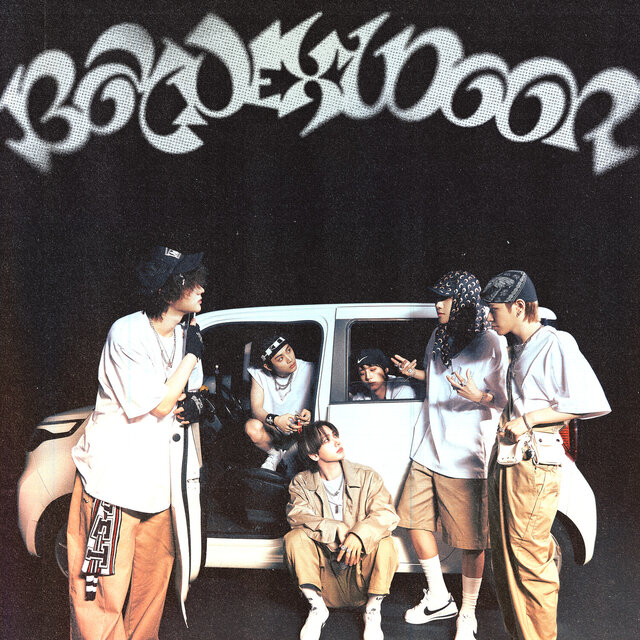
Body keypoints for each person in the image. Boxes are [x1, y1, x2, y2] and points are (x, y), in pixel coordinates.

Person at [67, 246, 208, 640]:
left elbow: (186, 392)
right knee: (100, 592)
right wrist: (190, 359)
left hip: (161, 486)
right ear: (168, 290)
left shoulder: (184, 335)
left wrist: (197, 401)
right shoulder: (127, 332)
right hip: (113, 485)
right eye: (191, 282)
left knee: (152, 590)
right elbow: (161, 403)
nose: (201, 288)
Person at [481, 270, 610, 640]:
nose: (489, 318)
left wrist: (529, 420)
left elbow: (588, 401)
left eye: (494, 310)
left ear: (520, 307)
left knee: (529, 559)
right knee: (506, 556)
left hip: (534, 461)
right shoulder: (519, 347)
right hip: (509, 460)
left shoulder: (556, 342)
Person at [392, 270, 508, 640]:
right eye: (437, 297)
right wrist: (415, 373)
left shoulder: (491, 342)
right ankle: (440, 597)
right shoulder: (439, 335)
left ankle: (468, 614)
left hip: (466, 457)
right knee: (413, 520)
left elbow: (505, 400)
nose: (437, 305)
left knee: (473, 541)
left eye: (445, 298)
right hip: (429, 449)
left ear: (464, 300)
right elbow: (441, 380)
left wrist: (480, 396)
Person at [284, 421, 399, 640]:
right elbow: (297, 516)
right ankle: (317, 609)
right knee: (294, 538)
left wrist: (358, 535)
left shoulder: (367, 476)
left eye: (335, 435)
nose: (336, 441)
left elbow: (386, 513)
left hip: (361, 575)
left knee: (387, 543)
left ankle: (372, 612)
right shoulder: (301, 483)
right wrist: (334, 526)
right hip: (324, 579)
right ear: (313, 455)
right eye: (327, 440)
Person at [245, 334, 313, 472]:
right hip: (273, 432)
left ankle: (289, 459)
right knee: (251, 427)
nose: (290, 359)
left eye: (289, 350)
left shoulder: (309, 368)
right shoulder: (259, 374)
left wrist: (310, 413)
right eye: (280, 358)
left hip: (300, 432)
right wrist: (276, 420)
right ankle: (275, 454)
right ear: (268, 366)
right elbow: (256, 409)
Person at [350, 348, 416, 401]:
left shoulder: (401, 387)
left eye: (372, 370)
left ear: (386, 370)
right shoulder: (360, 395)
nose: (368, 377)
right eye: (362, 373)